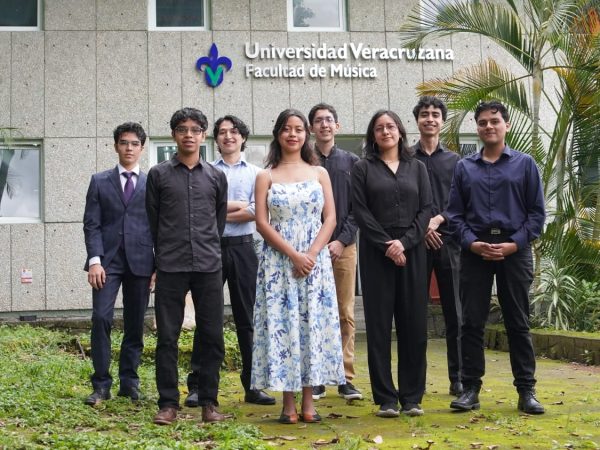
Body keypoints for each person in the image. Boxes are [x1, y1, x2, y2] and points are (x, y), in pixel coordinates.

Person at [446, 101, 545, 414]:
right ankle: (470, 389)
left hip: (514, 251)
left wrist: (513, 244)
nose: (489, 126)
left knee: (518, 322)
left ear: (506, 125)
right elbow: (454, 215)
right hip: (475, 251)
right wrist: (472, 244)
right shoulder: (465, 167)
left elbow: (536, 215)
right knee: (471, 323)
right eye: (482, 122)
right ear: (477, 128)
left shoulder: (525, 164)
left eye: (494, 121)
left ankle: (526, 392)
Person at [251, 109, 345, 424]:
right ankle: (287, 403)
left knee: (310, 325)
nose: (293, 134)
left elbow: (330, 218)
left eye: (298, 129)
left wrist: (312, 254)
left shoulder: (319, 173)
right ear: (278, 134)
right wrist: (294, 255)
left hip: (315, 263)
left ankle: (309, 402)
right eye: (287, 129)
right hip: (279, 263)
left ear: (306, 134)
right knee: (284, 326)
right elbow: (262, 223)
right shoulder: (265, 176)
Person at [146, 107, 229, 425]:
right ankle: (168, 404)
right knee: (167, 337)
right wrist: (160, 257)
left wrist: (207, 246)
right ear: (174, 135)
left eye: (195, 129)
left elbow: (218, 221)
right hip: (171, 264)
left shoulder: (216, 176)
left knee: (212, 335)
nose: (189, 135)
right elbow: (153, 221)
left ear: (204, 135)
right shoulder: (158, 175)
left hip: (208, 265)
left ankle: (209, 402)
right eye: (183, 129)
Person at [188, 115, 274, 406]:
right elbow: (202, 210)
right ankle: (197, 386)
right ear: (216, 139)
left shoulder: (257, 173)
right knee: (206, 318)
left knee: (248, 319)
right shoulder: (206, 171)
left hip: (244, 249)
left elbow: (256, 212)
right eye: (222, 132)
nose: (228, 136)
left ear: (243, 137)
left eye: (234, 131)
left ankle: (253, 385)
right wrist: (238, 208)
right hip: (210, 248)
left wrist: (221, 211)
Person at [351, 110, 432, 418]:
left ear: (400, 131)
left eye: (390, 126)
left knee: (414, 325)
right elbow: (360, 211)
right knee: (379, 326)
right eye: (379, 128)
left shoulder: (418, 168)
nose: (385, 131)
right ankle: (386, 397)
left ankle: (412, 397)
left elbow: (426, 210)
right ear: (373, 135)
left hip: (412, 252)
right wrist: (387, 244)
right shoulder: (362, 168)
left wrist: (405, 243)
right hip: (376, 253)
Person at [83, 122, 154, 406]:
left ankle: (129, 382)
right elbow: (91, 224)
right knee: (101, 318)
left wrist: (158, 266)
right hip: (107, 263)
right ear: (116, 146)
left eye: (134, 144)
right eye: (124, 143)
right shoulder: (99, 181)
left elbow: (159, 226)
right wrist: (94, 261)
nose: (129, 148)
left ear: (142, 148)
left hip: (141, 262)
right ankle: (101, 385)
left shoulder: (151, 183)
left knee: (135, 323)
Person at [308, 103, 362, 401]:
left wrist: (341, 240)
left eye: (329, 120)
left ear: (337, 126)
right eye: (318, 120)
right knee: (314, 313)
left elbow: (358, 208)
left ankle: (345, 377)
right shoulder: (303, 161)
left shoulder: (352, 162)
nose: (324, 125)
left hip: (345, 248)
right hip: (310, 251)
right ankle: (316, 377)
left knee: (344, 313)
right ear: (311, 128)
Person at [412, 96, 463, 397]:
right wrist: (421, 229)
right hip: (416, 245)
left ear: (442, 121)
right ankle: (415, 381)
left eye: (435, 114)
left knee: (455, 312)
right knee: (415, 314)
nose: (429, 119)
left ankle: (458, 378)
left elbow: (462, 202)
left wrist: (438, 220)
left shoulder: (456, 161)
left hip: (449, 242)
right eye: (424, 114)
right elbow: (401, 201)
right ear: (417, 120)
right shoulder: (406, 158)